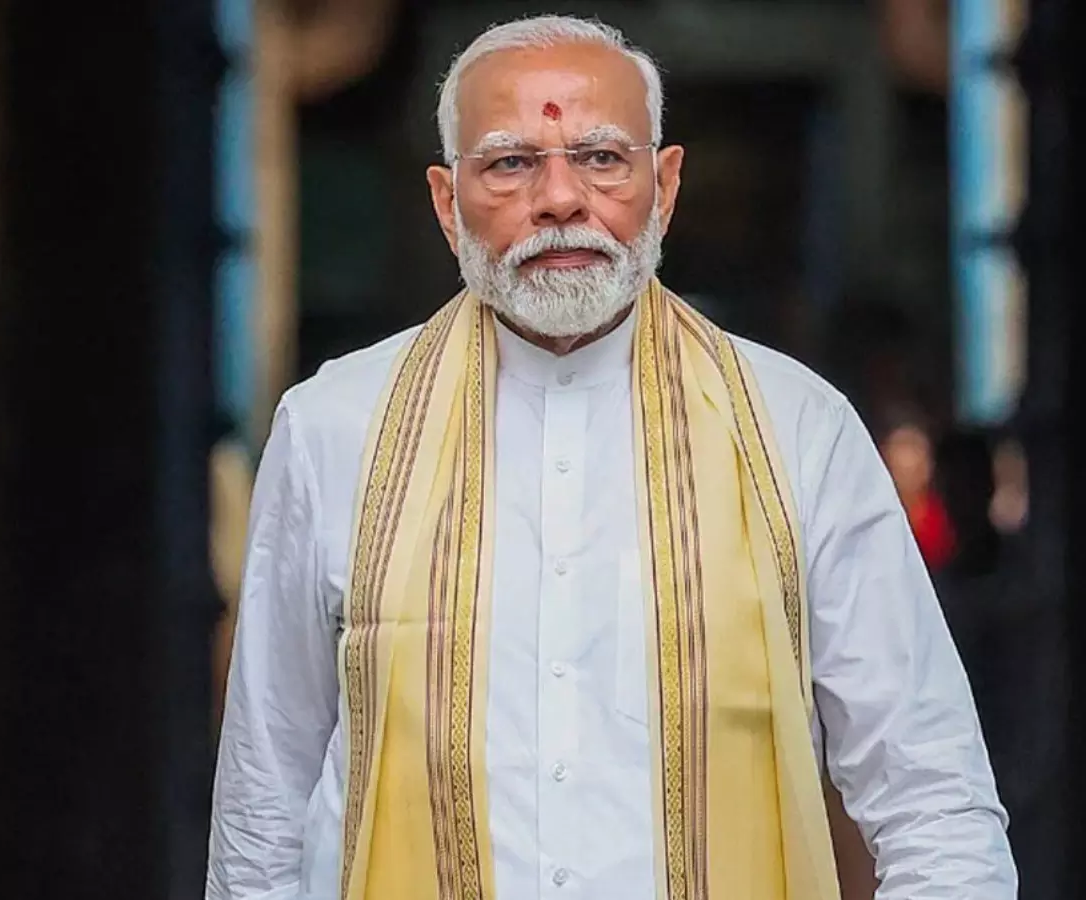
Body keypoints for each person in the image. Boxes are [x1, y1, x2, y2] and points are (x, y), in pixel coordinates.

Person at [206, 15, 1014, 900]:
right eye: (511, 162)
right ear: (446, 202)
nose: (559, 198)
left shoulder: (797, 432)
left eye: (601, 158)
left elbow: (933, 797)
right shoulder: (334, 428)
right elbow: (263, 807)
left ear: (664, 186)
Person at [878, 409, 958, 570]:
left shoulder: (944, 524)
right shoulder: (871, 520)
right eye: (902, 447)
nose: (910, 462)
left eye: (916, 448)